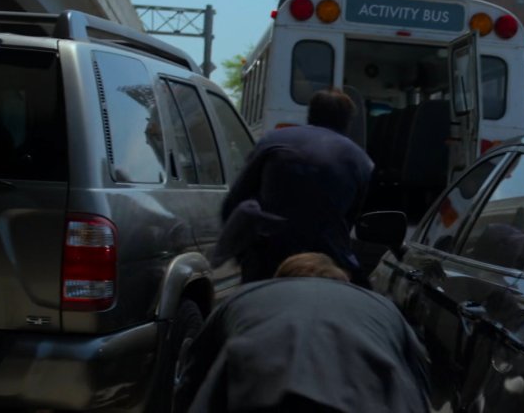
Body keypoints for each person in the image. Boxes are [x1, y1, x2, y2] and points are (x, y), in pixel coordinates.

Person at [173, 252, 429, 413]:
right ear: (342, 282)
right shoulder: (381, 306)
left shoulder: (244, 298)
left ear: (279, 280)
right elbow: (419, 376)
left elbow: (193, 376)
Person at [220, 88, 374, 284]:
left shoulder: (272, 140)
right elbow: (350, 219)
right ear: (347, 122)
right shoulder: (361, 160)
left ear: (310, 114)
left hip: (267, 254)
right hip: (328, 260)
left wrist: (240, 253)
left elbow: (235, 199)